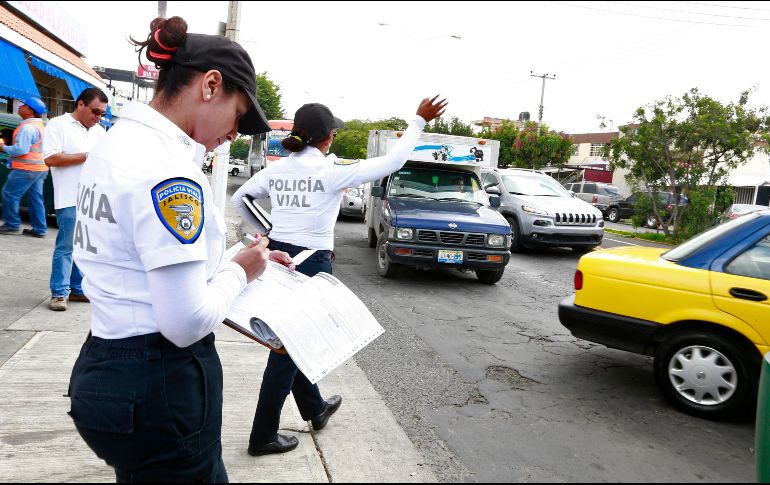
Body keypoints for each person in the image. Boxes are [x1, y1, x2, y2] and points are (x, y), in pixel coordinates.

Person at [66, 16, 291, 482]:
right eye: (239, 114)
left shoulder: (115, 143)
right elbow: (184, 322)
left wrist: (239, 260)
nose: (235, 133)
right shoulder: (170, 172)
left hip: (107, 367)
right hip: (158, 384)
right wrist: (240, 274)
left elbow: (144, 262)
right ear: (211, 85)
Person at [232, 96, 447, 456]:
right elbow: (393, 160)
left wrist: (266, 235)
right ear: (328, 137)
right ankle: (262, 436)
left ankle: (315, 408)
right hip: (311, 263)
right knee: (285, 351)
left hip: (278, 257)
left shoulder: (277, 170)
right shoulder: (330, 173)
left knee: (291, 341)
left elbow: (241, 199)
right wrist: (419, 122)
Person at [42, 87, 108, 311]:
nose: (98, 117)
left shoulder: (99, 132)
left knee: (85, 247)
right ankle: (59, 293)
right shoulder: (58, 125)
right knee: (66, 246)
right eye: (95, 111)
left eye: (101, 114)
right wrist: (87, 156)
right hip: (69, 197)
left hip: (93, 198)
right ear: (80, 104)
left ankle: (78, 288)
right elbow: (51, 158)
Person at [0, 97, 48, 237]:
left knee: (9, 194)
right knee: (36, 199)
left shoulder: (27, 127)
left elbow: (21, 150)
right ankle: (40, 229)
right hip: (40, 169)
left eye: (23, 105)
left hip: (26, 168)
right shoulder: (40, 125)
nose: (20, 107)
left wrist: (4, 147)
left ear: (29, 110)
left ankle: (12, 225)